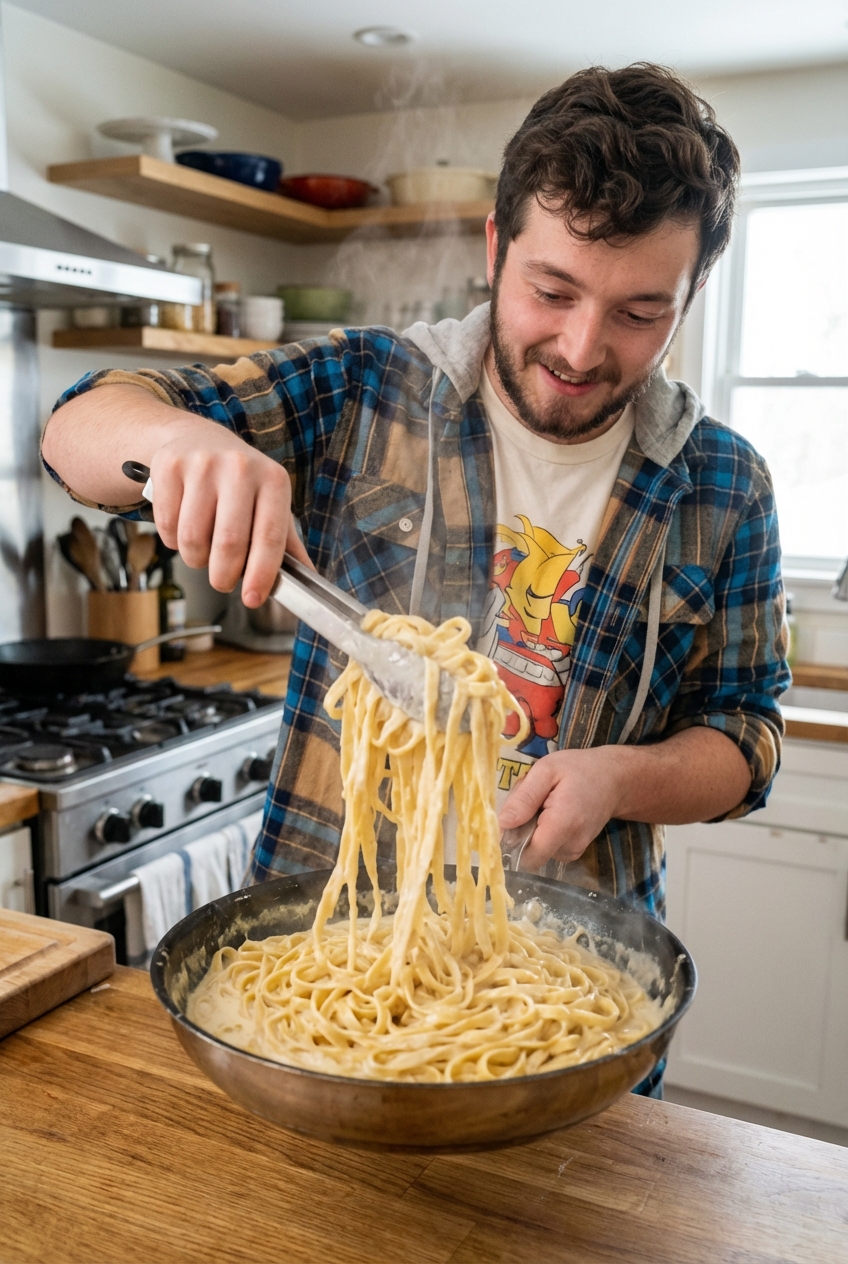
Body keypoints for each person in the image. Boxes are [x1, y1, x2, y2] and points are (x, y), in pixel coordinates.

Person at [43, 65, 788, 1095]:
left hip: (569, 1000)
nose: (579, 347)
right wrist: (176, 441)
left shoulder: (722, 484)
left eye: (637, 312)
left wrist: (618, 778)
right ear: (492, 249)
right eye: (551, 290)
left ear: (688, 295)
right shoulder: (363, 389)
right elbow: (79, 427)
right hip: (314, 972)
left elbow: (746, 736)